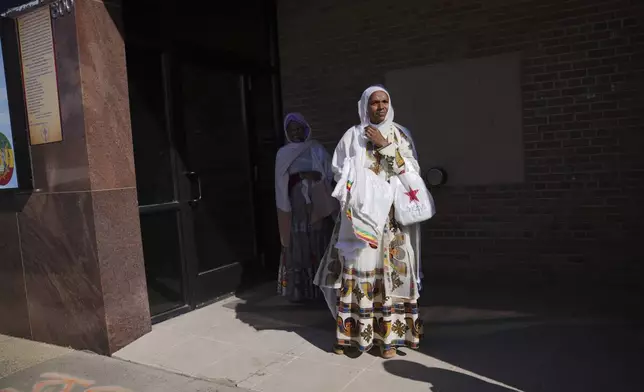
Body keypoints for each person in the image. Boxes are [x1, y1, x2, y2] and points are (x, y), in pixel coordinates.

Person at [314, 86, 423, 359]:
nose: (381, 106)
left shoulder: (400, 134)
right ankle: (351, 336)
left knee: (390, 275)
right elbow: (338, 169)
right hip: (359, 220)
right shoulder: (352, 135)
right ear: (365, 106)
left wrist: (384, 145)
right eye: (375, 103)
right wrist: (356, 179)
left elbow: (411, 171)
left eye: (385, 101)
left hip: (390, 221)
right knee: (358, 268)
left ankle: (388, 341)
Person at [275, 113, 337, 302]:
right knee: (299, 243)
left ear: (306, 129)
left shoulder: (316, 148)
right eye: (292, 130)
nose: (296, 133)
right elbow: (280, 181)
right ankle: (301, 291)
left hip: (317, 202)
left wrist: (317, 176)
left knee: (319, 240)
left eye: (299, 129)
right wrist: (301, 176)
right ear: (287, 132)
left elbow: (330, 171)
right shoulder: (283, 154)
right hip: (297, 206)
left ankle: (322, 289)